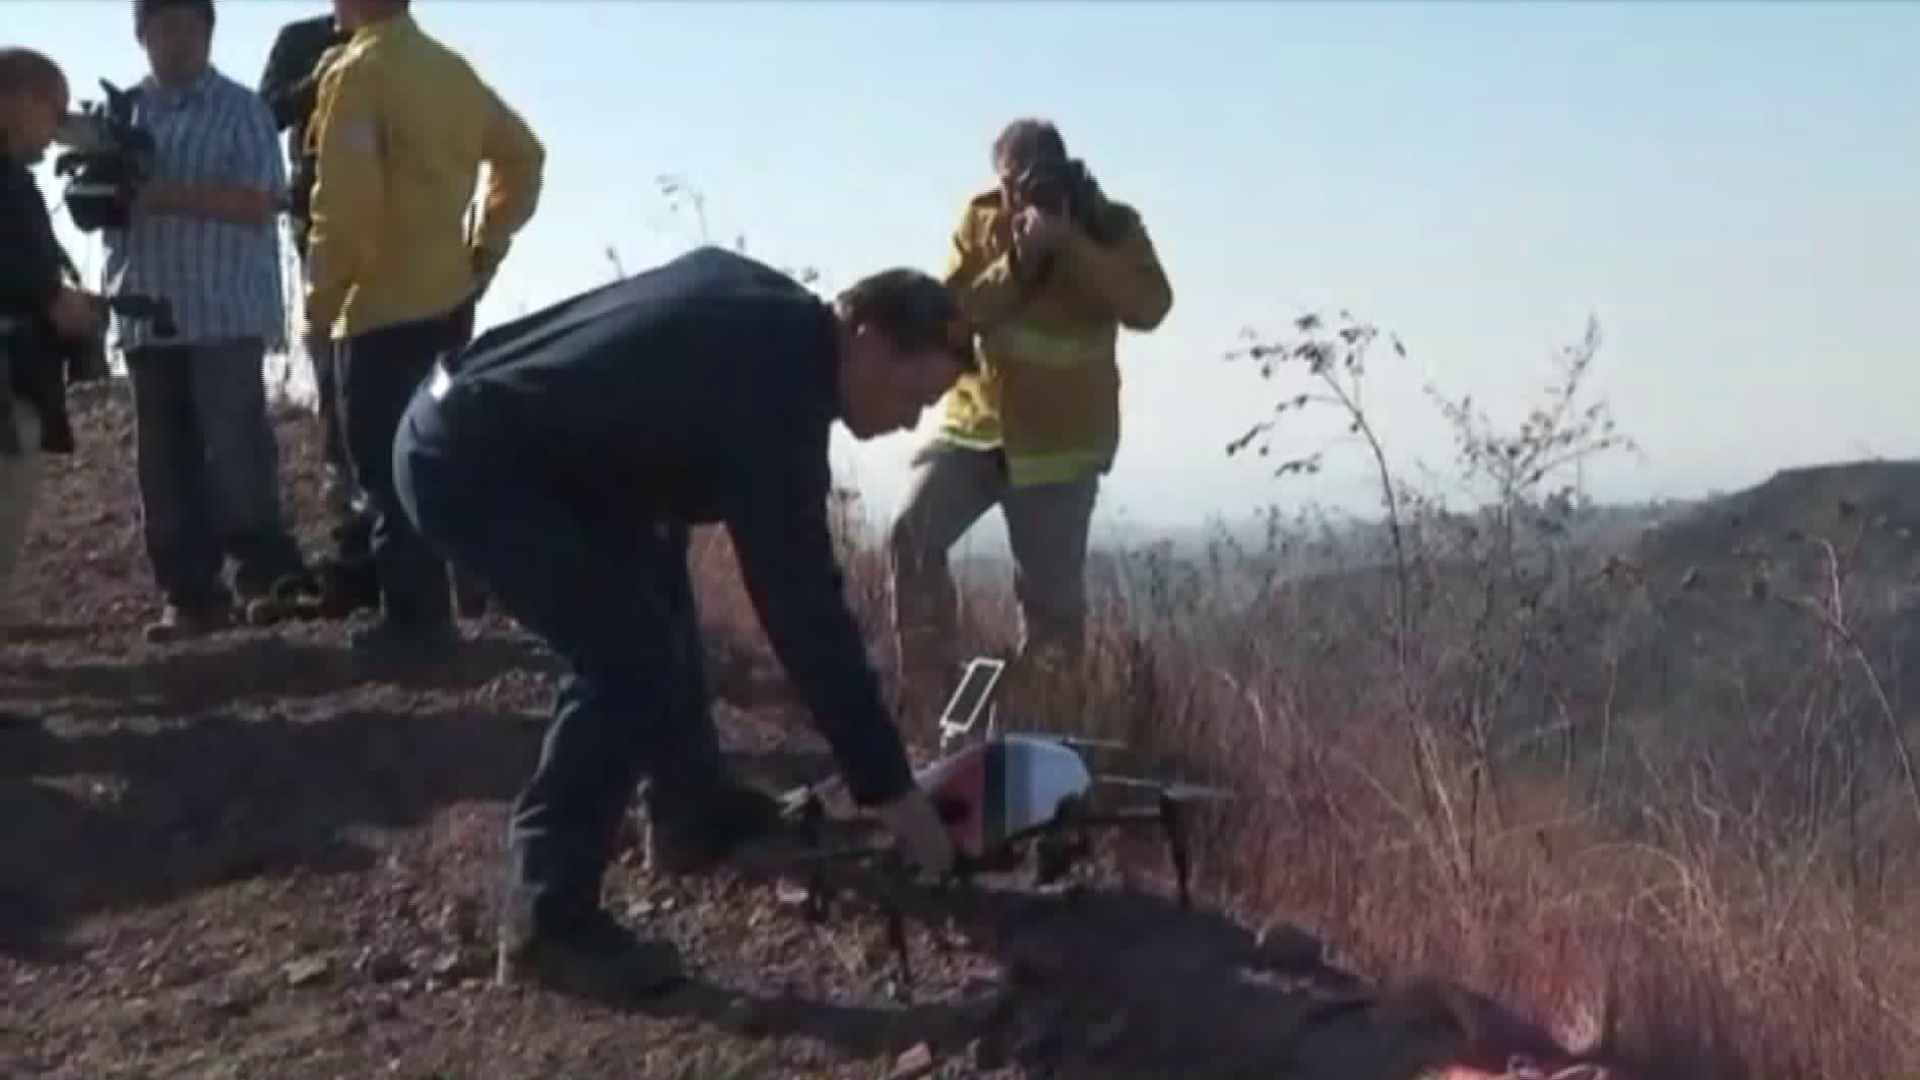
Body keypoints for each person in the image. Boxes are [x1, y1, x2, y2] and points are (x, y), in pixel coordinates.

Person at [392, 245, 966, 998]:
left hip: (531, 453)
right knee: (627, 656)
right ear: (866, 338)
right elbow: (803, 611)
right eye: (911, 398)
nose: (909, 424)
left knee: (657, 599)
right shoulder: (773, 393)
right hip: (470, 462)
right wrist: (891, 791)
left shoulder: (773, 314)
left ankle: (690, 809)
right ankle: (547, 922)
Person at [888, 118, 1172, 710]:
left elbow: (1150, 305)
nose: (1023, 197)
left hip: (1060, 449)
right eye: (1013, 185)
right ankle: (929, 696)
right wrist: (1019, 261)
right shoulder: (981, 221)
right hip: (977, 432)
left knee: (1052, 614)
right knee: (912, 535)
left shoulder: (1110, 225)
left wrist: (1071, 245)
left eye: (1036, 182)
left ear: (1066, 172)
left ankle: (1037, 723)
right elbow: (953, 315)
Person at [300, 0, 543, 656]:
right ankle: (479, 593)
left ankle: (416, 620)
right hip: (448, 303)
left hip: (375, 309)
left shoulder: (359, 72)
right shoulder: (450, 72)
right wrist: (486, 249)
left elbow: (344, 207)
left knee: (384, 469)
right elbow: (524, 157)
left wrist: (320, 306)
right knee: (445, 453)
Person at [103, 0, 313, 643]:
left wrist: (164, 195)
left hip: (222, 308)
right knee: (163, 462)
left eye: (191, 26)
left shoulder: (240, 108)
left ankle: (265, 582)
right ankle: (190, 597)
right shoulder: (120, 113)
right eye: (164, 27)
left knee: (236, 451)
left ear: (209, 33)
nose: (178, 40)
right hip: (147, 306)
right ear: (142, 36)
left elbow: (260, 201)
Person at [256, 7, 377, 619]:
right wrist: (318, 81)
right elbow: (262, 117)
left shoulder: (403, 44)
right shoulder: (302, 40)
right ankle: (351, 547)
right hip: (321, 236)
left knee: (399, 389)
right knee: (335, 385)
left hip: (400, 242)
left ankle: (418, 555)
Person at [0, 47, 106, 664]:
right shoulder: (8, 186)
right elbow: (27, 280)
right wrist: (65, 307)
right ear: (16, 102)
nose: (59, 124)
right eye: (53, 107)